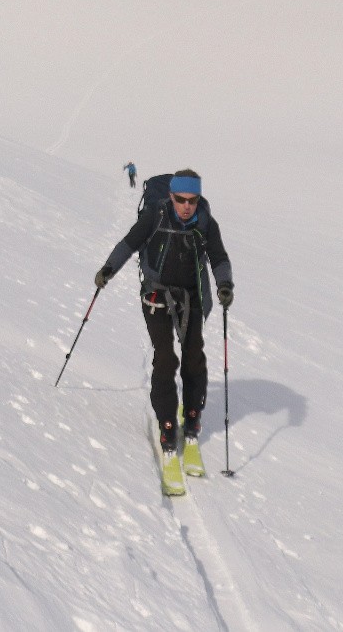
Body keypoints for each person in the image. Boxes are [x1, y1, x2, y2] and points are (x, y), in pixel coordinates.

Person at [95, 170, 233, 467]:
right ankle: (168, 423)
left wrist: (224, 284)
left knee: (194, 355)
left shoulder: (206, 222)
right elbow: (129, 243)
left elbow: (219, 257)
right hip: (156, 295)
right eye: (180, 199)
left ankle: (193, 417)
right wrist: (108, 269)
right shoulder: (155, 215)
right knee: (166, 357)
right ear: (171, 196)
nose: (186, 206)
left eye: (192, 200)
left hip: (193, 296)